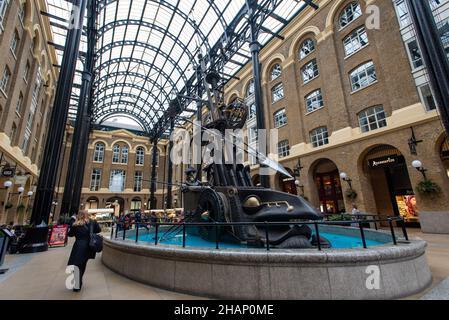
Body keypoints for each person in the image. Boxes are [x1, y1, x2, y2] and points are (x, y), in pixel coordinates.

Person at [67, 210, 101, 292]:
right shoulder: (92, 222)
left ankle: (77, 284)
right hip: (89, 246)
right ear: (87, 215)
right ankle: (79, 282)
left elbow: (70, 234)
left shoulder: (75, 224)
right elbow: (99, 230)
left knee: (76, 264)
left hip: (78, 245)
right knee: (82, 264)